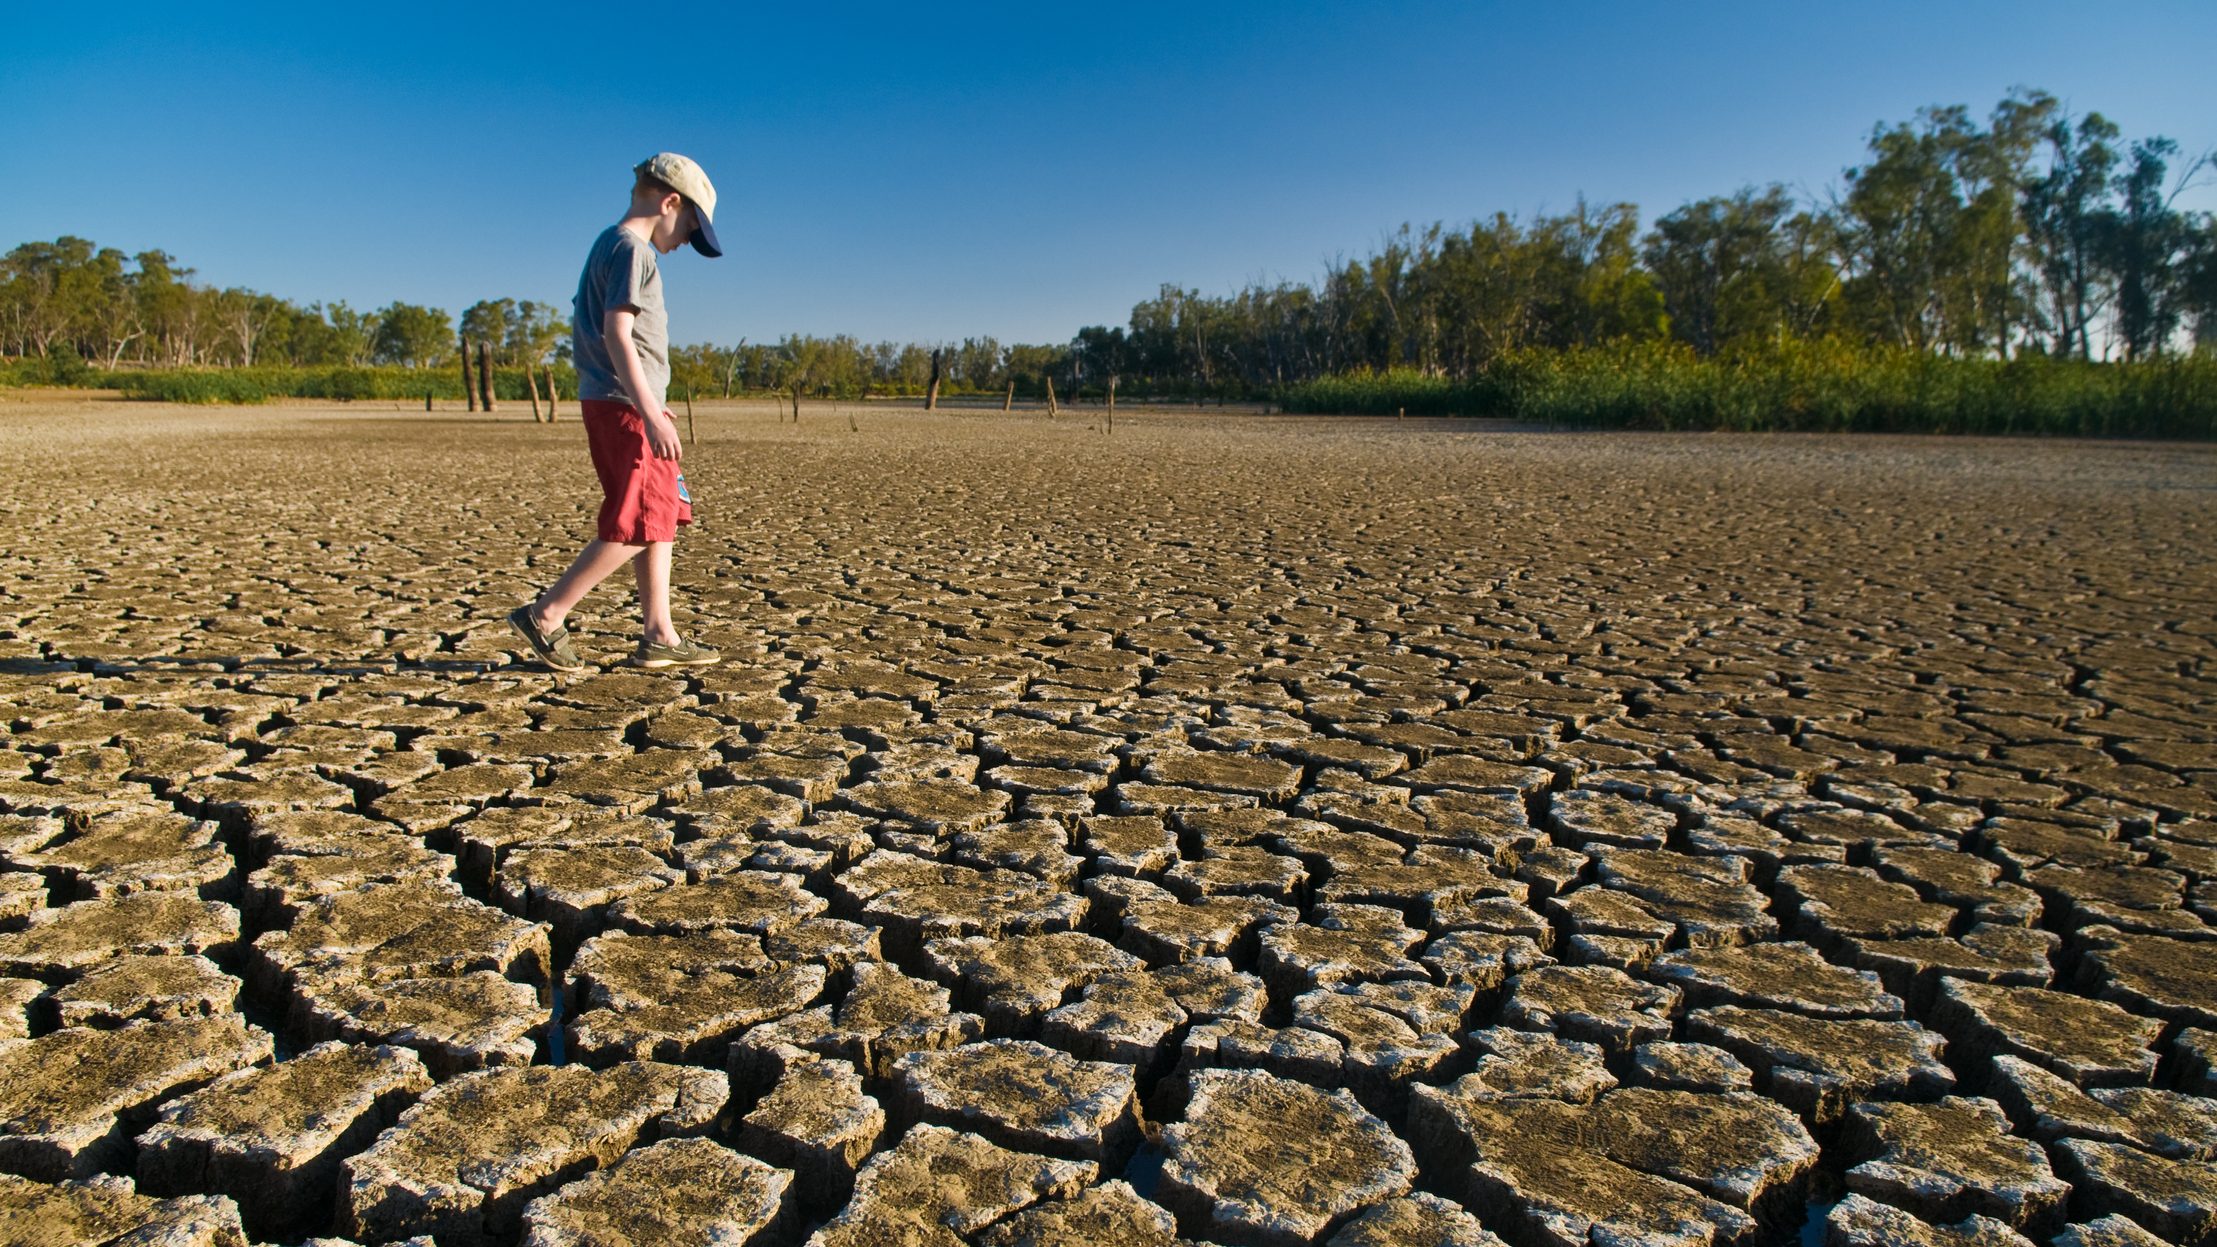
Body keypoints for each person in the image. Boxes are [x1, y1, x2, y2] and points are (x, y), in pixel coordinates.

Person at [508, 152, 724, 670]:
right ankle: (546, 614)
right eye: (689, 229)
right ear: (670, 202)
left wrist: (654, 406)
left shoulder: (610, 244)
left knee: (662, 514)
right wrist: (649, 411)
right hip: (625, 405)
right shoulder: (632, 250)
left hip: (629, 402)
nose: (684, 244)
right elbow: (617, 334)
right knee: (637, 521)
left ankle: (660, 633)